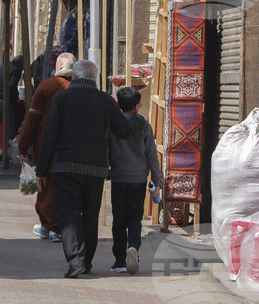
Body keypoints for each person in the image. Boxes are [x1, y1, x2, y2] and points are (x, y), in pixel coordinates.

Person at [35, 60, 145, 279]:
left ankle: (75, 260)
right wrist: (139, 120)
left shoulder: (62, 99)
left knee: (69, 213)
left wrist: (41, 170)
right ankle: (85, 262)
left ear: (74, 77)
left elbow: (50, 135)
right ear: (95, 78)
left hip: (66, 166)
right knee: (90, 215)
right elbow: (123, 131)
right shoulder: (106, 101)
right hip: (96, 169)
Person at [18, 52, 76, 242]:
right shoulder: (76, 88)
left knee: (45, 181)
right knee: (65, 183)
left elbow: (32, 118)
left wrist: (23, 145)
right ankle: (55, 226)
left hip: (44, 141)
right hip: (70, 142)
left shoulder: (45, 86)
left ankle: (49, 225)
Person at [109, 86, 161, 275]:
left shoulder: (113, 125)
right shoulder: (145, 126)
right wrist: (157, 179)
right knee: (134, 217)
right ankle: (134, 247)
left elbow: (106, 149)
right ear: (137, 106)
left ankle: (119, 261)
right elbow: (151, 155)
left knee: (119, 219)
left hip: (118, 177)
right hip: (138, 178)